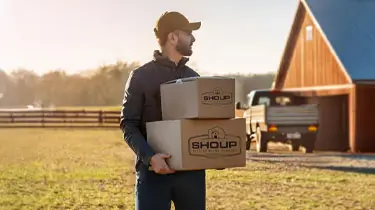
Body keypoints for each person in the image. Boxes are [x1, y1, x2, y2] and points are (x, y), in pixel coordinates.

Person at [120, 11, 205, 210]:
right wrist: (150, 157)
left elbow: (205, 123)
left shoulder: (195, 79)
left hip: (192, 176)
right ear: (173, 37)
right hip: (153, 174)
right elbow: (128, 124)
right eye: (188, 33)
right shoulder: (140, 77)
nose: (193, 38)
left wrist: (214, 152)